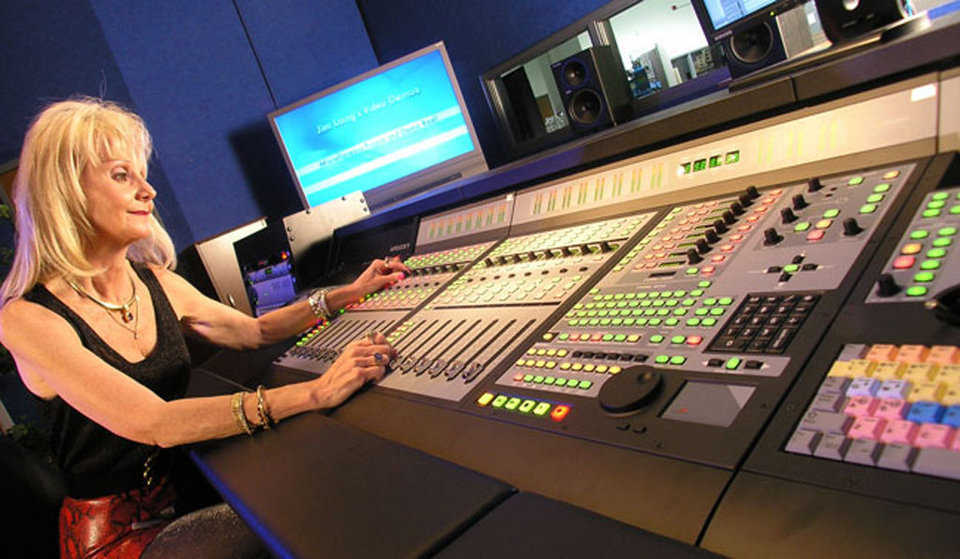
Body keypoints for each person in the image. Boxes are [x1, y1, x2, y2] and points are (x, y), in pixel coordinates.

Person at [0, 97, 409, 558]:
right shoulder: (26, 318)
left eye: (142, 173)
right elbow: (154, 422)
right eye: (121, 175)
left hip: (192, 490)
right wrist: (316, 392)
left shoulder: (153, 282)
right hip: (123, 532)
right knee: (302, 520)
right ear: (67, 191)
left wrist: (343, 294)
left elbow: (253, 332)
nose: (147, 191)